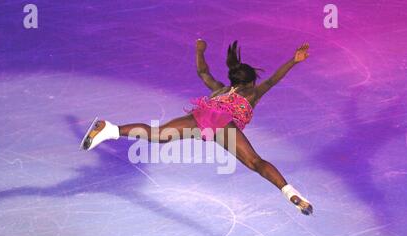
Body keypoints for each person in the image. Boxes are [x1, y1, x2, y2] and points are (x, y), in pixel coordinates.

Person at [80, 39, 313, 215]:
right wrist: (294, 61)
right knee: (254, 162)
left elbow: (203, 72)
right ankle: (290, 193)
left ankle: (109, 129)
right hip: (222, 125)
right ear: (251, 81)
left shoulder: (219, 89)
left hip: (201, 116)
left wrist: (200, 49)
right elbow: (273, 80)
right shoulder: (252, 93)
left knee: (158, 135)